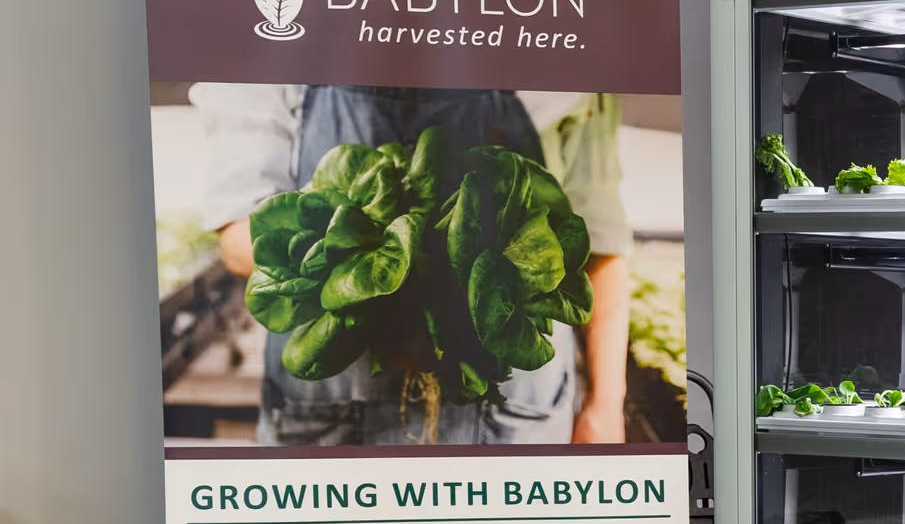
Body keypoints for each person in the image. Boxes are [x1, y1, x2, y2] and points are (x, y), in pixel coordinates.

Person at [197, 84, 629, 445]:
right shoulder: (279, 37)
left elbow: (600, 242)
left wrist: (606, 406)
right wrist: (387, 268)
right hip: (334, 406)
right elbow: (241, 240)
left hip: (514, 410)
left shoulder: (557, 40)